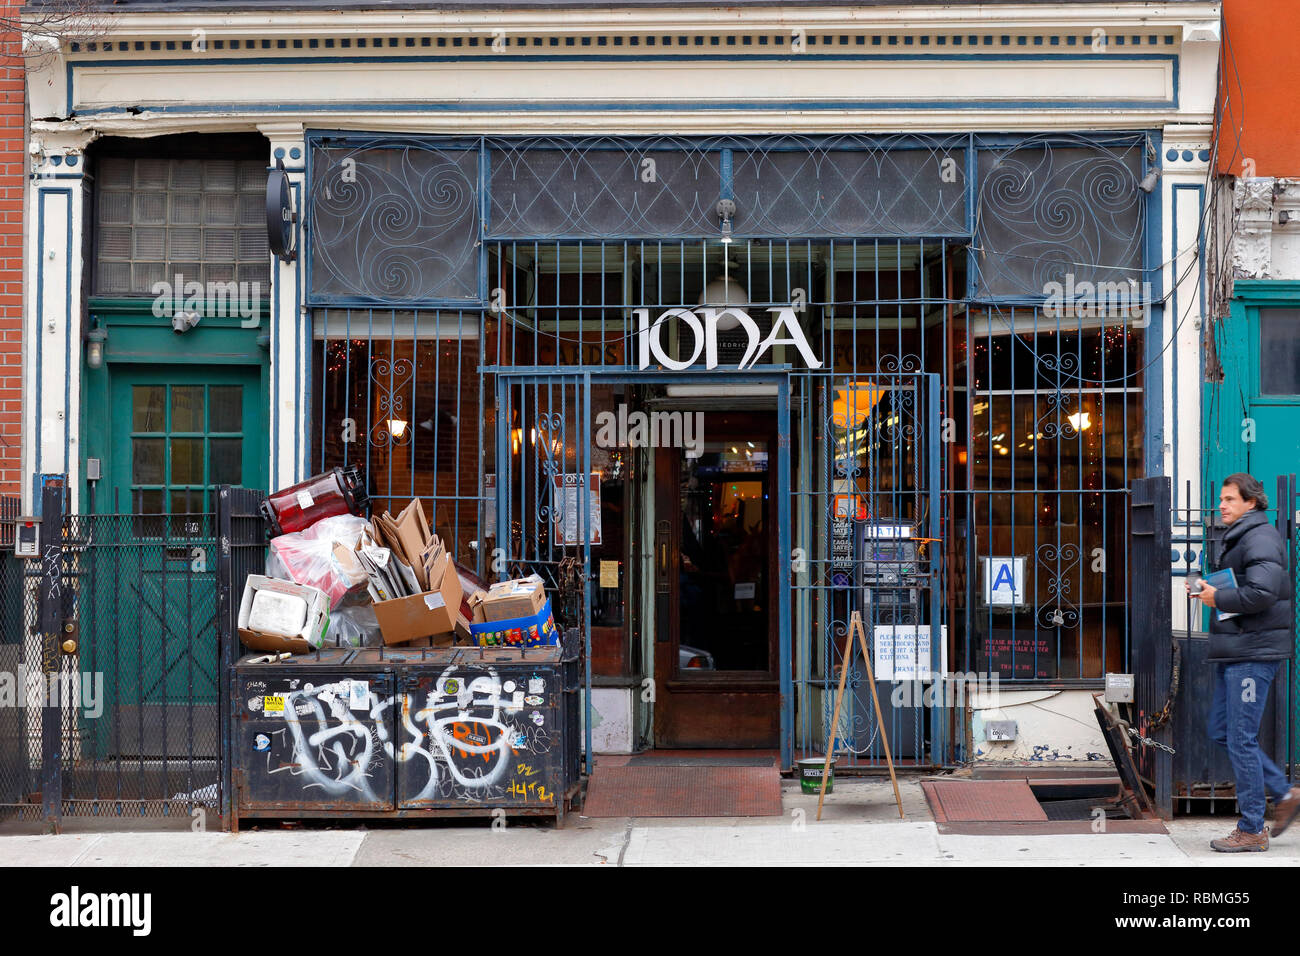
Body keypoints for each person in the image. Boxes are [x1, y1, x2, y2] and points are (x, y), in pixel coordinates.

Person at [1187, 473, 1299, 851]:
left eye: (1230, 499)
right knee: (1223, 731)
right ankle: (1285, 793)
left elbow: (1263, 592)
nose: (1222, 505)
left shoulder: (1260, 536)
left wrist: (1220, 598)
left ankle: (1252, 828)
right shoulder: (1241, 536)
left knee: (1240, 737)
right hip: (1238, 650)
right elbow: (1245, 585)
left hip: (1253, 653)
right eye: (1221, 499)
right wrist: (1208, 589)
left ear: (1251, 502)